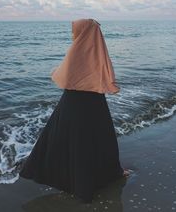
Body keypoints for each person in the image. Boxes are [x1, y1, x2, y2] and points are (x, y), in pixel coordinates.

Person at [19, 18, 130, 203]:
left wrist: (57, 70)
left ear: (83, 32)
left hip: (75, 103)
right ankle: (105, 176)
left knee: (73, 141)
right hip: (94, 101)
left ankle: (78, 183)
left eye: (74, 30)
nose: (72, 34)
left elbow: (64, 75)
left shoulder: (77, 50)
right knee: (98, 139)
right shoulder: (96, 49)